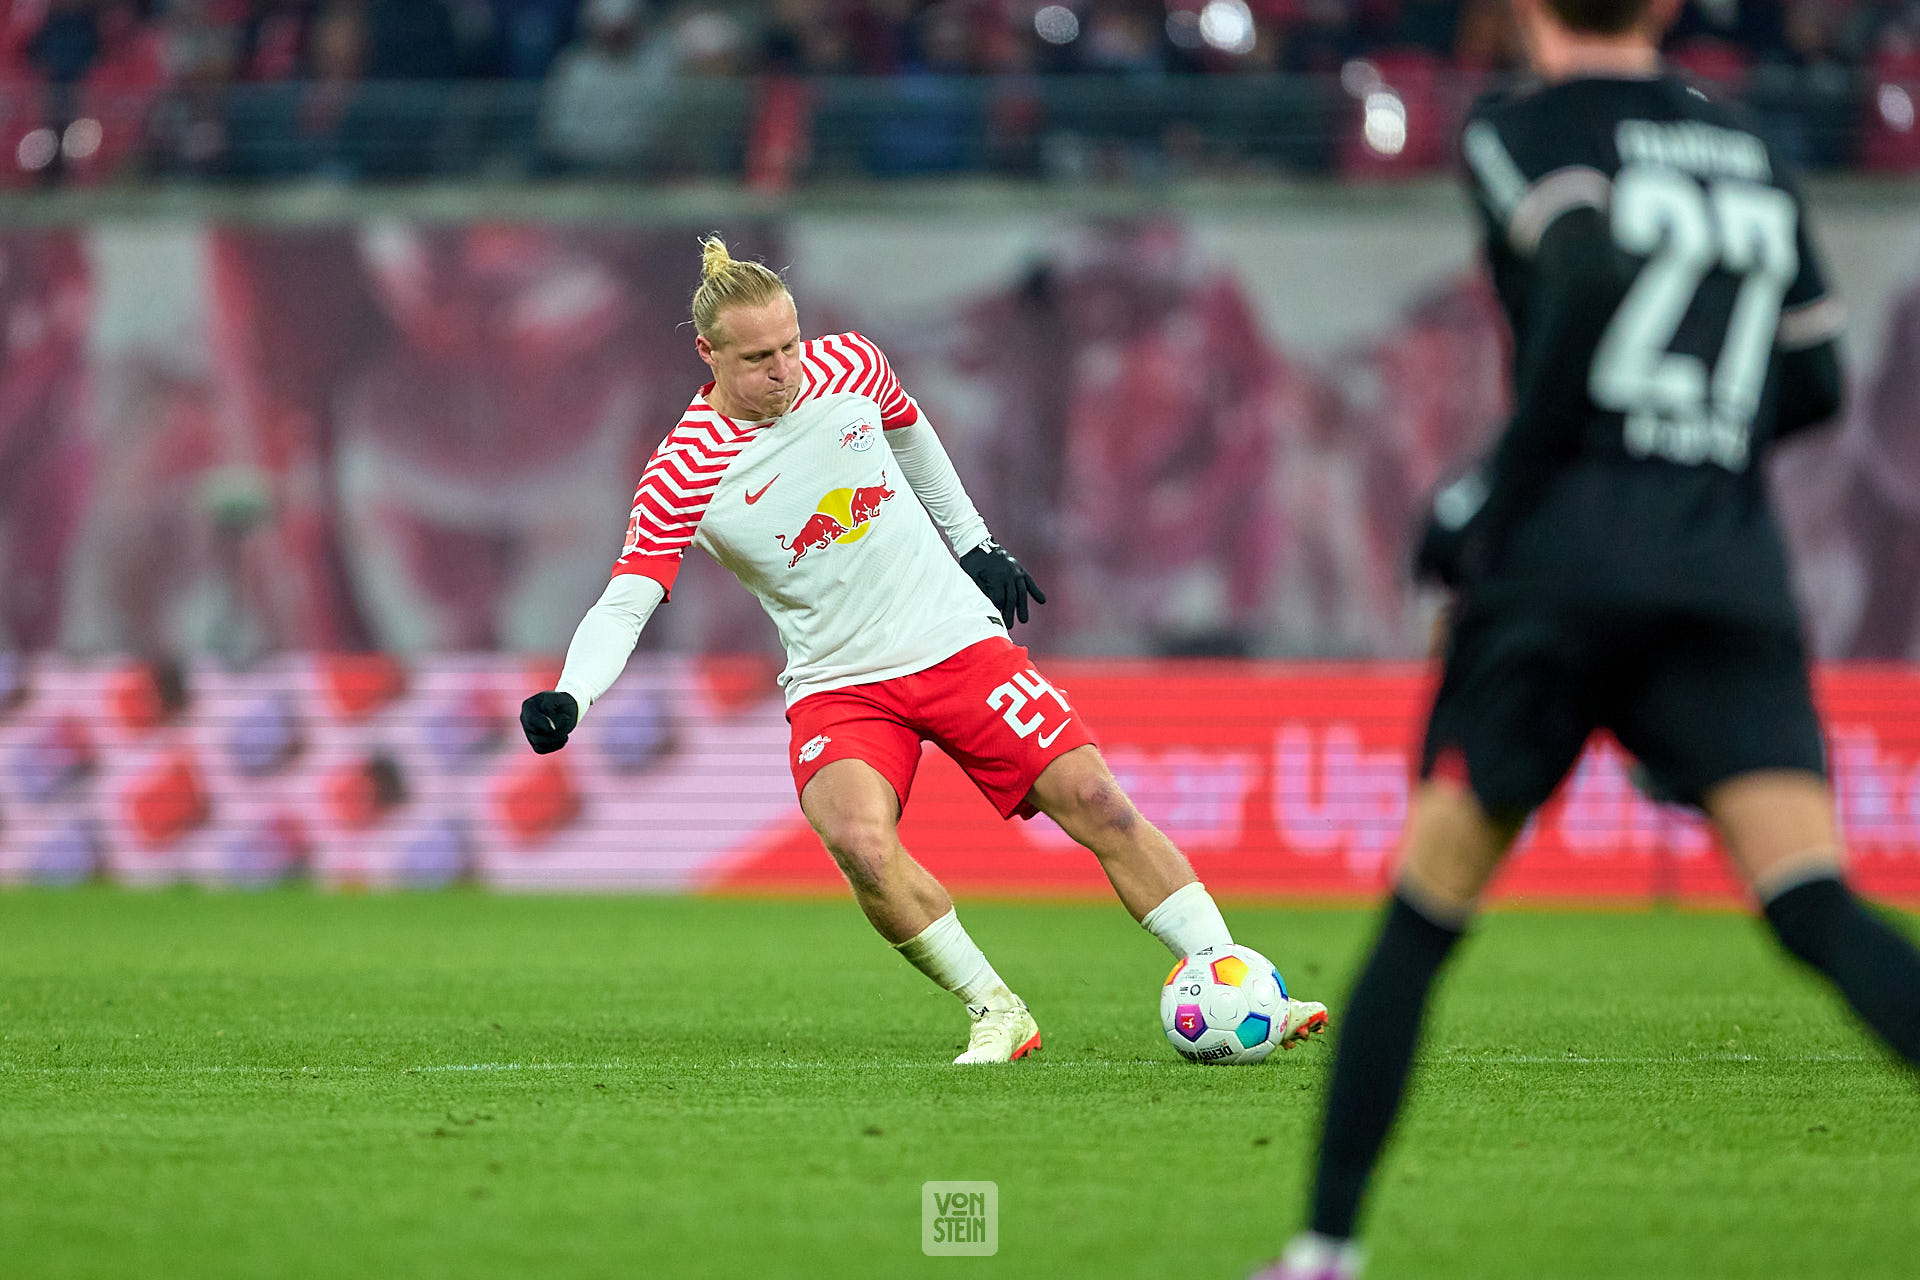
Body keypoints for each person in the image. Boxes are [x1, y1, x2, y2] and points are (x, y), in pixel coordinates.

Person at [1265, 1, 1920, 1276]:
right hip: (1727, 568)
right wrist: (1699, 445)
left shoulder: (1526, 129)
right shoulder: (1746, 145)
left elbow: (1584, 268)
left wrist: (1493, 497)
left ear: (1525, 11)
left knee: (1425, 909)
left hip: (1564, 567)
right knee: (1813, 900)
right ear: (1667, 8)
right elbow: (1820, 379)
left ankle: (1323, 1251)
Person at [520, 236, 1330, 1064]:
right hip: (841, 684)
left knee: (1099, 802)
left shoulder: (851, 367)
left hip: (953, 644)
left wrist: (976, 546)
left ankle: (1235, 979)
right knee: (859, 845)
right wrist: (572, 694)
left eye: (790, 345)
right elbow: (630, 597)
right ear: (709, 354)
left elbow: (911, 434)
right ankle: (996, 1009)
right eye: (759, 358)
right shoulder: (682, 470)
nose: (784, 370)